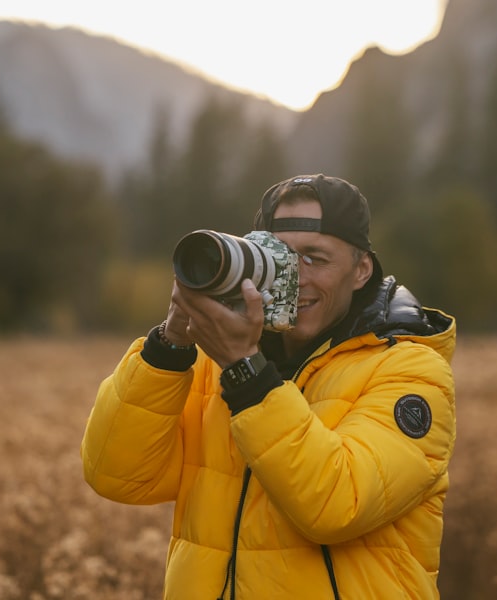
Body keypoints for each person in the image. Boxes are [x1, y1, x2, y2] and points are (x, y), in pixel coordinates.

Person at [82, 174, 456, 599]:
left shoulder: (411, 371)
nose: (292, 278)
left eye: (315, 258)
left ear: (361, 269)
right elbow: (116, 475)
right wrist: (170, 345)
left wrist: (244, 369)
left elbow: (336, 504)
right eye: (276, 258)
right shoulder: (215, 362)